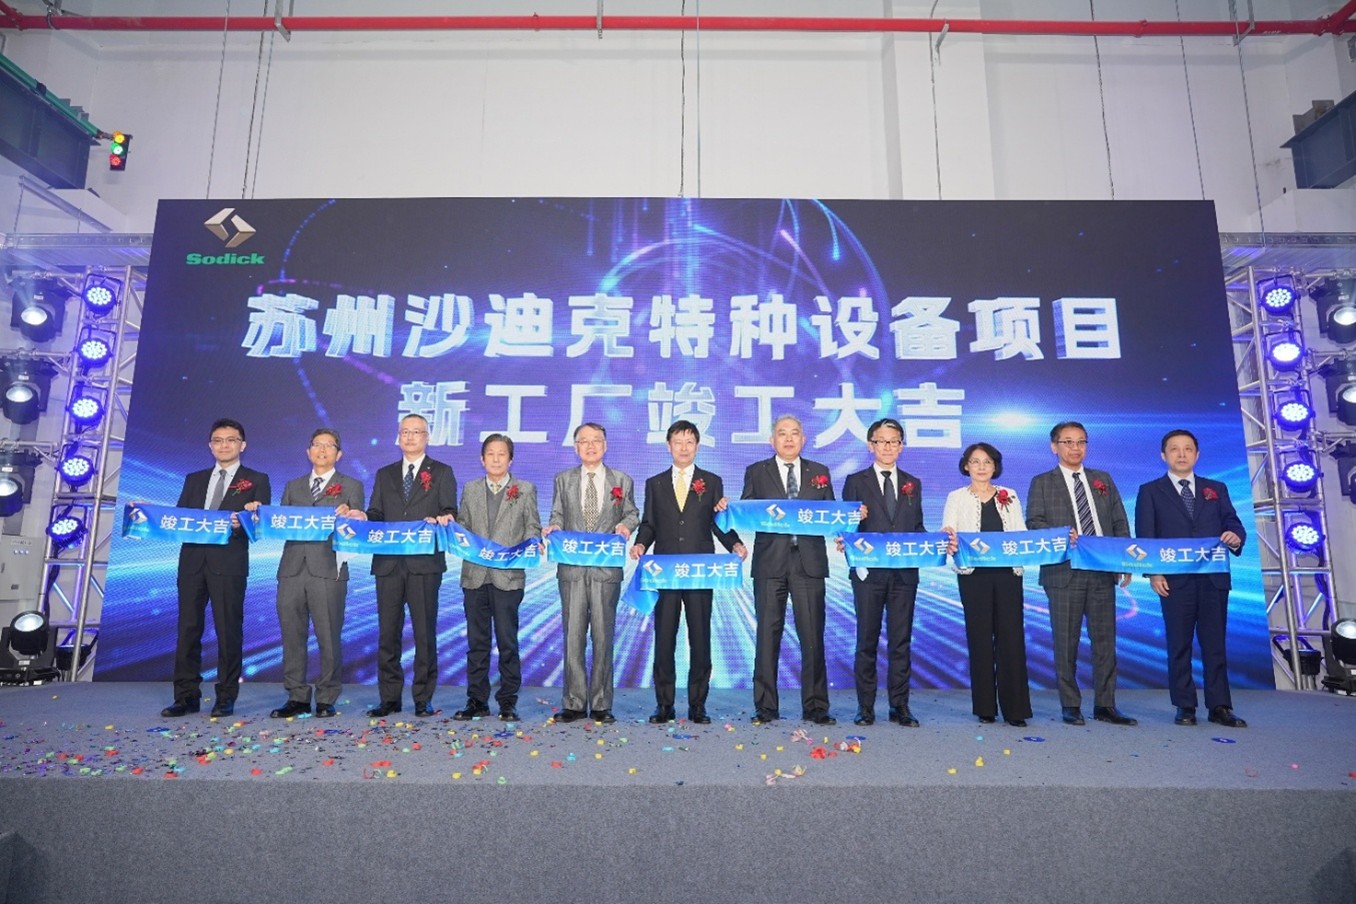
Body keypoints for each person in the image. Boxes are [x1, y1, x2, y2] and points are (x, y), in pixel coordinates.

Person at [339, 413, 457, 718]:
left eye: (416, 432)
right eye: (405, 432)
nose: (410, 437)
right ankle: (389, 698)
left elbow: (449, 510)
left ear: (427, 437)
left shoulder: (442, 472)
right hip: (388, 564)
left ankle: (423, 698)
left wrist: (443, 518)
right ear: (398, 436)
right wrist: (363, 516)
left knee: (424, 634)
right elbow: (377, 513)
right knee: (387, 634)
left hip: (424, 563)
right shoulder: (385, 474)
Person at [630, 419, 746, 725]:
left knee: (700, 638)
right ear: (668, 446)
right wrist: (640, 544)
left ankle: (698, 705)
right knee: (664, 639)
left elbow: (718, 523)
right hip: (665, 573)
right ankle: (664, 704)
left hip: (699, 572)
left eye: (690, 442)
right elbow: (649, 523)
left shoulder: (712, 481)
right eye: (678, 442)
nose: (684, 448)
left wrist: (735, 543)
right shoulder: (655, 483)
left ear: (697, 446)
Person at [1025, 421, 1136, 727]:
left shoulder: (1103, 479)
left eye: (1081, 442)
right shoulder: (1042, 482)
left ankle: (1106, 705)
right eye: (1068, 442)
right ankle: (1070, 705)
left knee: (1105, 642)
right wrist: (1061, 534)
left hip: (1101, 570)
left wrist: (1124, 560)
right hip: (1064, 572)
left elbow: (1119, 521)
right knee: (1066, 643)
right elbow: (1034, 523)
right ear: (1054, 446)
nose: (1075, 448)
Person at [1135, 429, 1248, 728]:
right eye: (1174, 449)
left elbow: (1233, 522)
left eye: (1187, 449)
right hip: (1174, 580)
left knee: (1215, 644)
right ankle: (1184, 705)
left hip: (1213, 578)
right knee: (1179, 644)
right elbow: (1146, 536)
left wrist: (1235, 536)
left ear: (1197, 455)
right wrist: (1154, 572)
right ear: (1164, 455)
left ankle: (1220, 706)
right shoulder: (1150, 491)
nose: (1181, 454)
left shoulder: (1216, 488)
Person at [249, 428, 364, 719]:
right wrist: (259, 514)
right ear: (308, 451)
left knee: (328, 636)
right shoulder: (293, 486)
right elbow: (279, 523)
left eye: (329, 446)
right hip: (291, 569)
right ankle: (296, 696)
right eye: (317, 445)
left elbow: (358, 528)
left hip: (328, 569)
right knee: (292, 635)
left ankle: (326, 697)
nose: (322, 450)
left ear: (339, 454)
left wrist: (353, 516)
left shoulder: (351, 486)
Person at [161, 418, 271, 719]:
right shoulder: (194, 479)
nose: (224, 445)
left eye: (231, 440)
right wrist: (148, 513)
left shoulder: (256, 479)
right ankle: (186, 696)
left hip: (229, 564)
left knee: (228, 630)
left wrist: (247, 518)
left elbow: (260, 525)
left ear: (242, 445)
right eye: (218, 440)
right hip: (192, 563)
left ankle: (225, 696)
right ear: (210, 446)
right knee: (187, 630)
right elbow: (180, 519)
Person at [841, 417, 940, 727]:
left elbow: (917, 527)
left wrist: (936, 541)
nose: (887, 447)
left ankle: (900, 706)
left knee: (901, 641)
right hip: (868, 574)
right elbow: (845, 526)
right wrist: (850, 525)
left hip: (904, 574)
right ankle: (865, 707)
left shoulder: (913, 483)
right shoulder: (855, 481)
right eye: (881, 441)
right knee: (866, 641)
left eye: (894, 441)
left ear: (901, 446)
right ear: (870, 445)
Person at [542, 423, 639, 724]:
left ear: (605, 446)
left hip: (605, 571)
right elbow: (557, 514)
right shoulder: (563, 480)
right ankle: (573, 702)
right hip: (572, 570)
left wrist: (626, 526)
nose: (590, 446)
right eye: (584, 441)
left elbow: (632, 513)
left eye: (596, 440)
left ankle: (600, 703)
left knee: (602, 636)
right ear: (576, 448)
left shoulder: (621, 480)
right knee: (573, 637)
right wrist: (554, 527)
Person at [742, 415, 835, 725]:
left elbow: (831, 514)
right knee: (767, 636)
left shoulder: (819, 472)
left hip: (809, 563)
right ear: (772, 441)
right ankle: (765, 706)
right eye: (782, 433)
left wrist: (850, 521)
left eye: (795, 433)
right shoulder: (757, 471)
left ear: (803, 439)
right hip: (770, 562)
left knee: (812, 636)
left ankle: (816, 706)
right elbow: (747, 513)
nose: (789, 439)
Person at [940, 442, 1033, 727]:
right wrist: (948, 537)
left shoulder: (1009, 495)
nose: (981, 467)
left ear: (995, 466)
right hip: (974, 576)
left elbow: (1021, 532)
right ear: (966, 465)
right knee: (979, 638)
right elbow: (948, 530)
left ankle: (1015, 709)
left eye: (987, 462)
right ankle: (985, 707)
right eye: (975, 461)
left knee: (1011, 639)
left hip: (1007, 574)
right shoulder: (956, 497)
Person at [452, 434, 541, 722]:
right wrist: (451, 528)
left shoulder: (524, 489)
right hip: (475, 577)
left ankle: (508, 701)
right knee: (477, 643)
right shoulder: (470, 489)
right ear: (482, 459)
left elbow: (532, 526)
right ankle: (476, 700)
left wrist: (534, 542)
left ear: (510, 459)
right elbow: (463, 527)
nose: (496, 458)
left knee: (507, 642)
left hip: (508, 577)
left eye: (502, 454)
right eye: (490, 453)